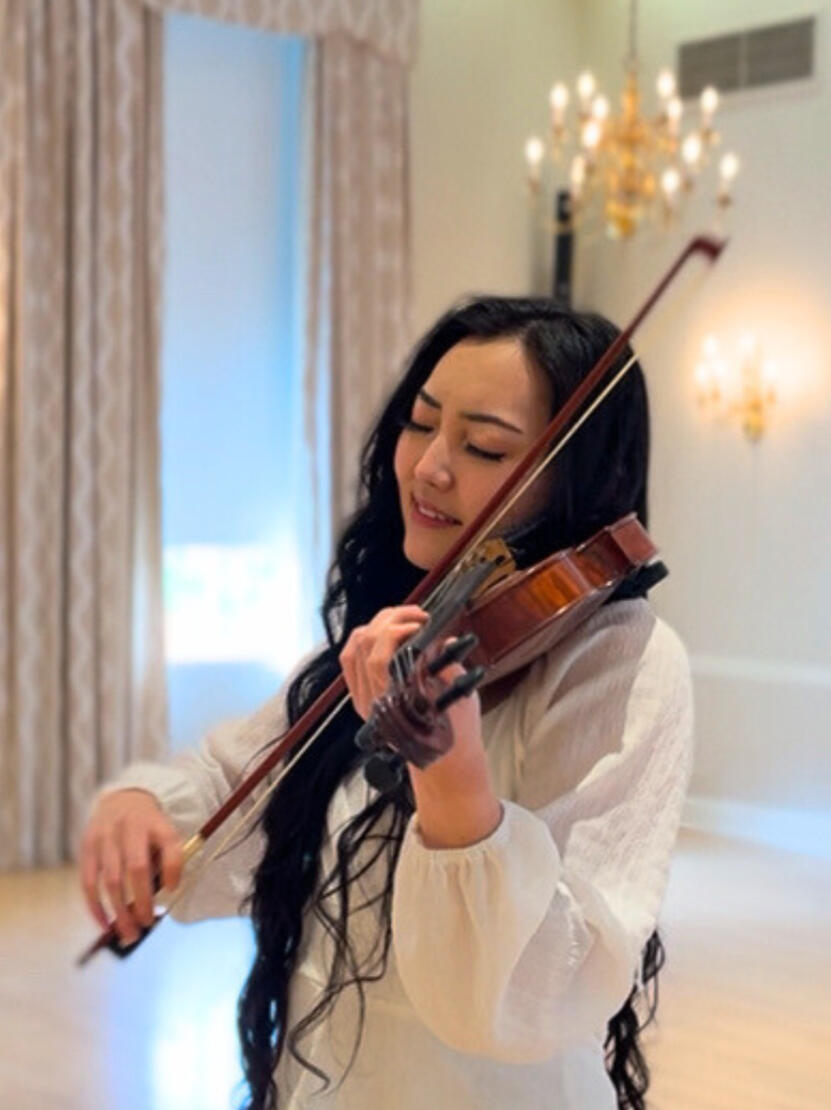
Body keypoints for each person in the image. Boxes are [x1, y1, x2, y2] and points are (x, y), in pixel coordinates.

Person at [79, 297, 693, 1110]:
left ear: (572, 481)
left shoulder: (625, 660)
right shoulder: (397, 629)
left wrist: (451, 778)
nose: (429, 467)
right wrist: (142, 807)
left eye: (483, 447)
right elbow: (236, 782)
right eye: (421, 423)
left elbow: (540, 989)